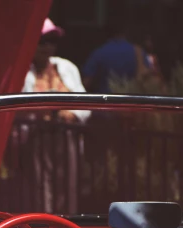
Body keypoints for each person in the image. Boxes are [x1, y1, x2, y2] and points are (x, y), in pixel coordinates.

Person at [20, 19, 88, 214]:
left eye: (51, 40)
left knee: (68, 189)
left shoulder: (66, 67)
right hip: (37, 140)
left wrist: (71, 114)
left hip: (67, 138)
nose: (47, 46)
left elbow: (85, 103)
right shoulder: (24, 72)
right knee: (42, 191)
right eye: (42, 41)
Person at [81, 15, 150, 93]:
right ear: (126, 31)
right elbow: (147, 78)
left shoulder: (99, 53)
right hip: (132, 101)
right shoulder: (138, 52)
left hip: (105, 101)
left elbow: (87, 82)